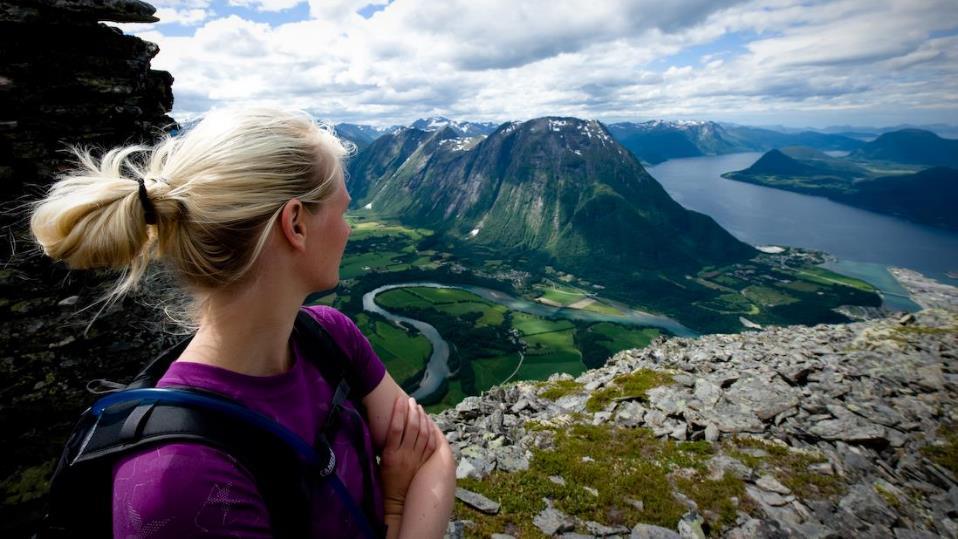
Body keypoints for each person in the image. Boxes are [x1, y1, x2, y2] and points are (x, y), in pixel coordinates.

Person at [28, 108, 457, 537]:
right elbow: (426, 459)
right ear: (295, 224)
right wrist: (397, 507)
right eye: (342, 211)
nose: (347, 230)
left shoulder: (331, 336)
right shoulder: (179, 483)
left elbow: (433, 451)